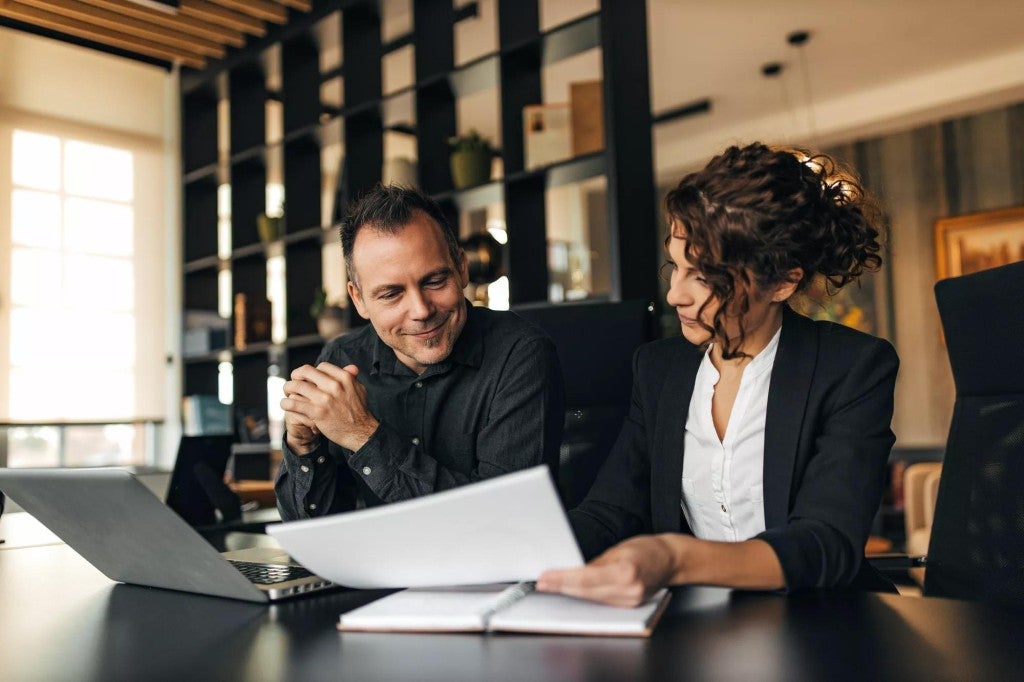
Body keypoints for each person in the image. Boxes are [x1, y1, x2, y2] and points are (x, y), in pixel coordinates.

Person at [536, 143, 899, 606]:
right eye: (676, 266)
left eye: (705, 277)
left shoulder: (852, 366)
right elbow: (611, 511)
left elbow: (826, 544)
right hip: (701, 627)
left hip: (823, 623)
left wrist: (675, 557)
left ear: (783, 282)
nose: (675, 295)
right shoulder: (658, 369)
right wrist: (522, 554)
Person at [275, 185, 564, 520]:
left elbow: (502, 522)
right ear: (359, 300)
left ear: (461, 268)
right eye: (391, 294)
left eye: (434, 281)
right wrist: (303, 447)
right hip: (377, 570)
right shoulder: (341, 360)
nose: (421, 310)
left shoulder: (521, 355)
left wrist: (362, 435)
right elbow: (315, 534)